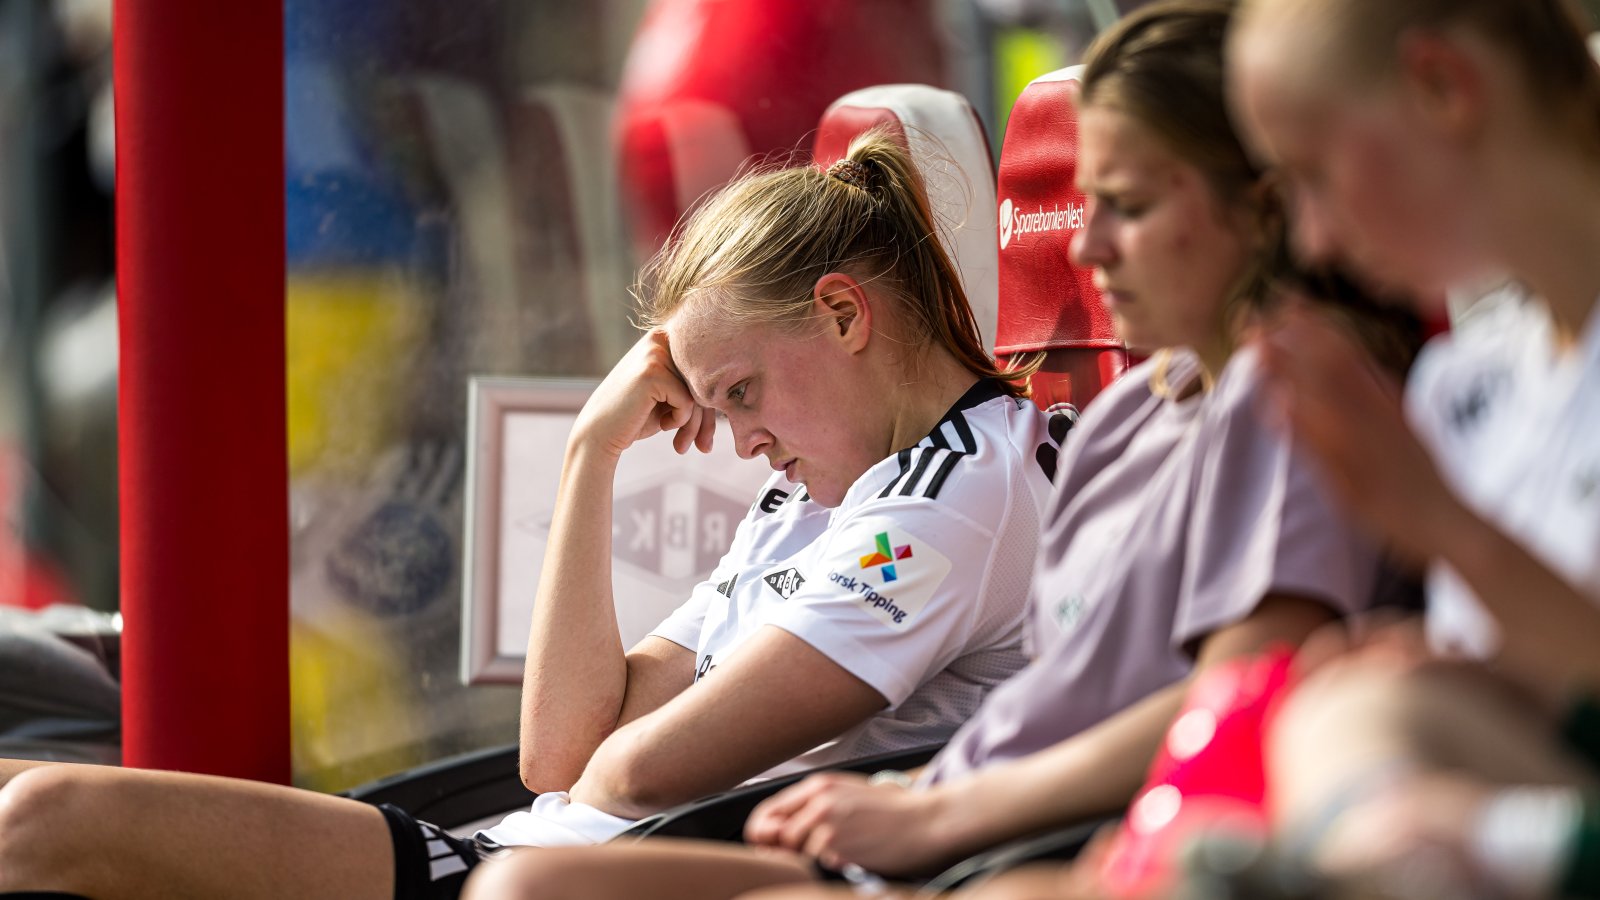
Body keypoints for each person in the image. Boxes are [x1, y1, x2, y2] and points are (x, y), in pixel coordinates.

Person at [457, 3, 1412, 897]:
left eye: (1129, 204)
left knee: (519, 886)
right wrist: (594, 450)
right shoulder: (1127, 421)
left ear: (1258, 204)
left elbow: (1233, 707)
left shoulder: (1285, 401)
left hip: (973, 841)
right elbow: (565, 757)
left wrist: (934, 809)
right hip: (931, 814)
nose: (1087, 253)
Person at [0, 129, 1068, 900]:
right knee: (18, 794)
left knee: (46, 821)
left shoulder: (947, 505)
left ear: (842, 313)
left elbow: (637, 769)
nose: (741, 440)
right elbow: (561, 756)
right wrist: (588, 455)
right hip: (514, 848)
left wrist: (609, 752)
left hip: (559, 876)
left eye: (741, 392)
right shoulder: (816, 496)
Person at [1215, 0, 1600, 894]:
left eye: (1313, 172)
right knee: (1349, 710)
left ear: (1443, 84)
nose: (1311, 238)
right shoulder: (1466, 380)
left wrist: (1443, 525)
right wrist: (1482, 673)